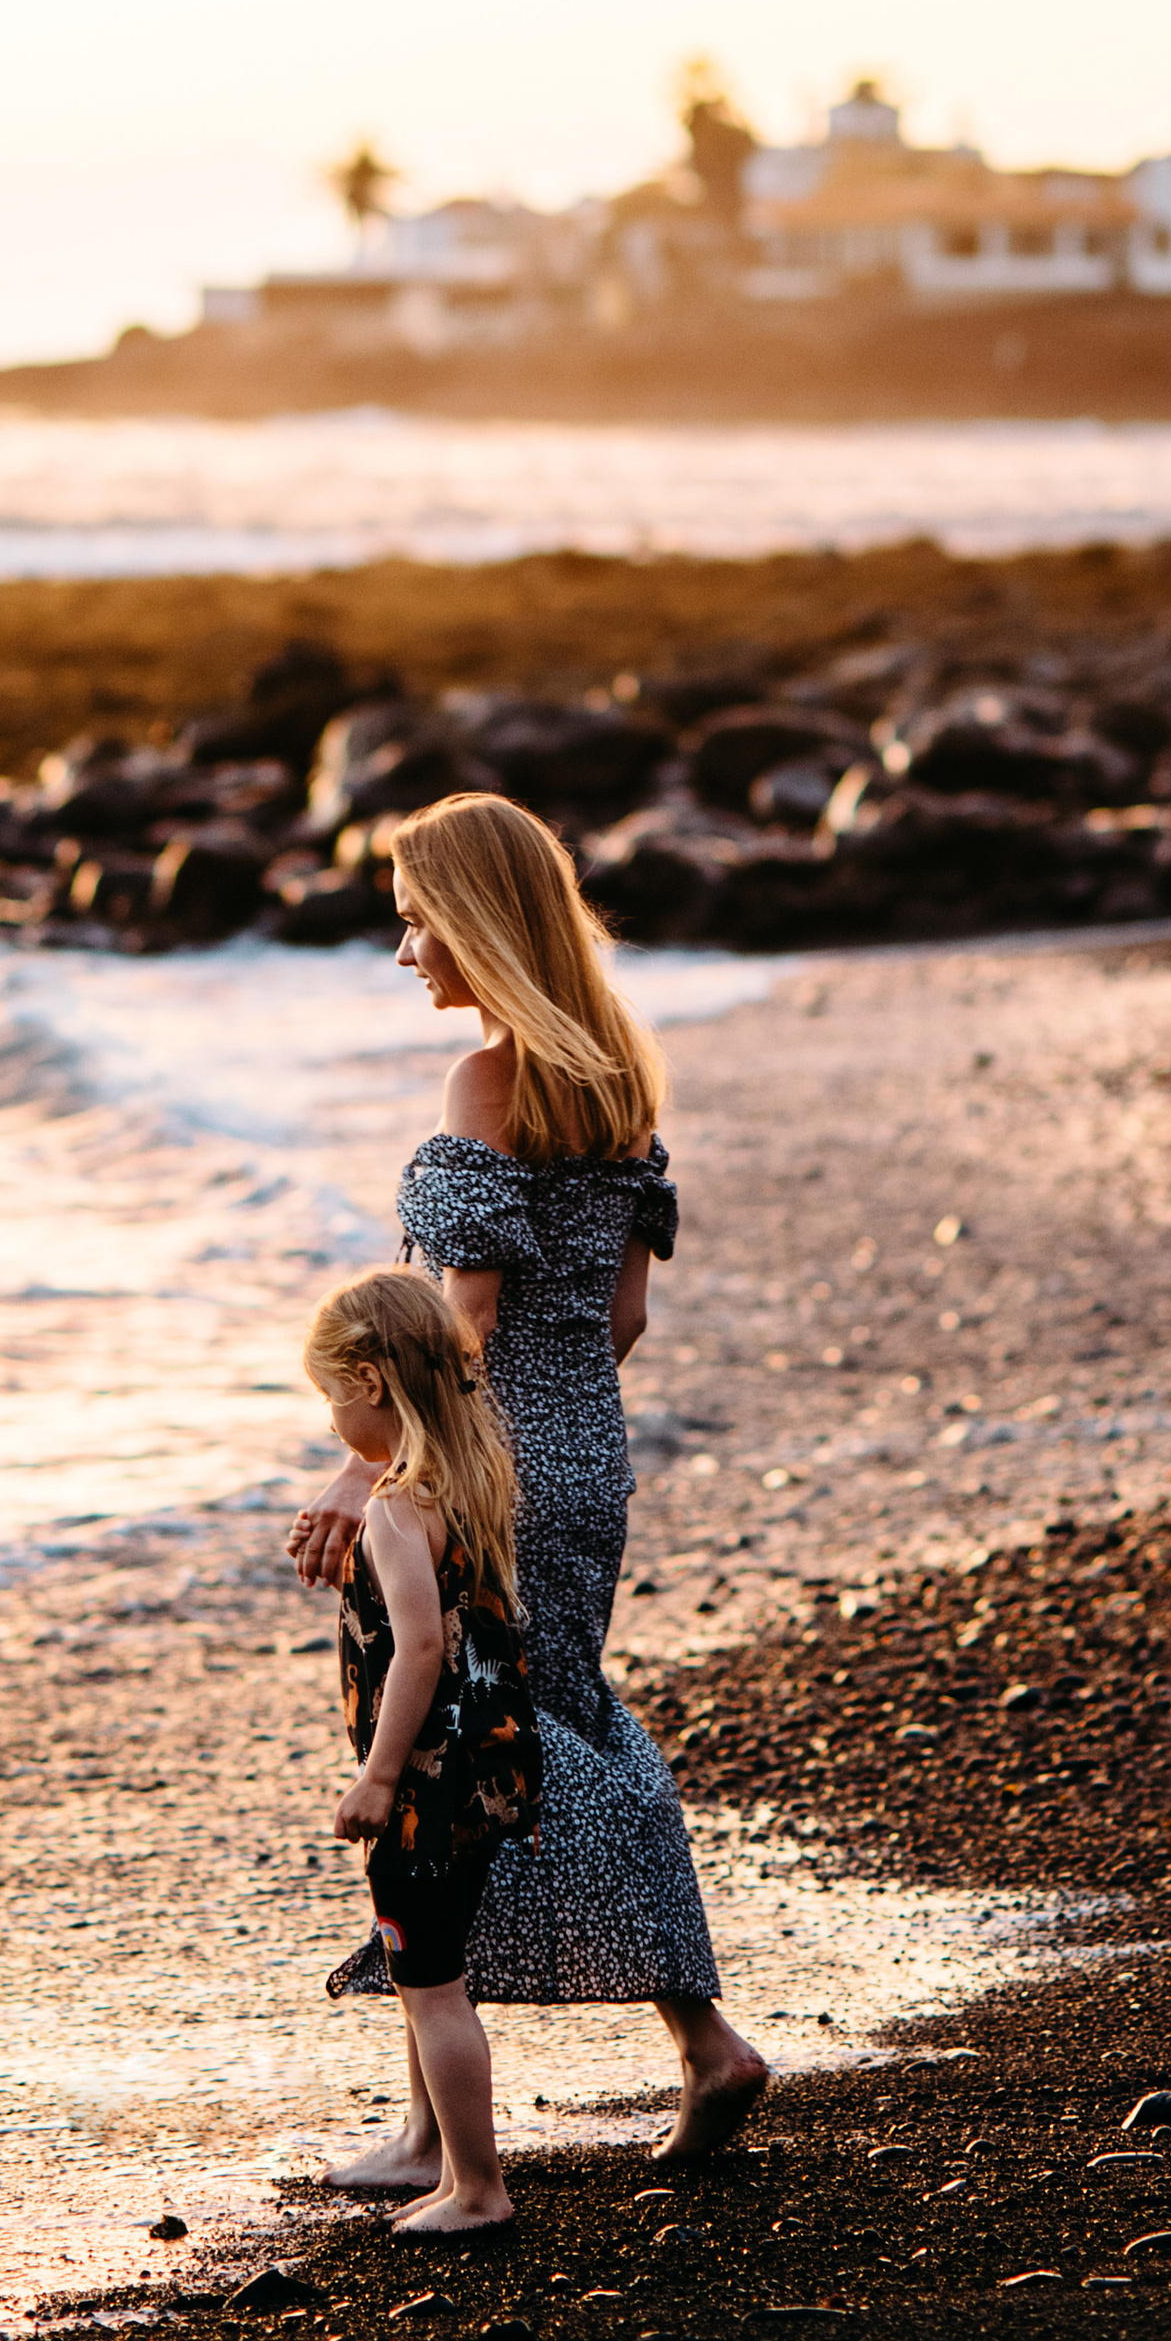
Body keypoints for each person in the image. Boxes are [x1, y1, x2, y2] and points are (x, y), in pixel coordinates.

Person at [291, 791, 767, 2179]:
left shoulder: (486, 1084)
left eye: (416, 923)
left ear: (479, 919)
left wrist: (367, 1466)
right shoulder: (616, 1078)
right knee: (541, 1726)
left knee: (452, 1752)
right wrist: (550, 1431)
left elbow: (463, 1321)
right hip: (584, 1459)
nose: (404, 954)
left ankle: (687, 2049)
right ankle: (448, 2117)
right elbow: (621, 1319)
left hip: (484, 1465)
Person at [302, 1264, 543, 2237]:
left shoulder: (398, 1508)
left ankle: (478, 2189)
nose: (331, 1425)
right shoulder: (471, 1478)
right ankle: (436, 2158)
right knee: (432, 1971)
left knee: (431, 1988)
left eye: (332, 1399)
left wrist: (378, 1777)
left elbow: (420, 1647)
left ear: (370, 1382)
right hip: (488, 1761)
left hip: (427, 1784)